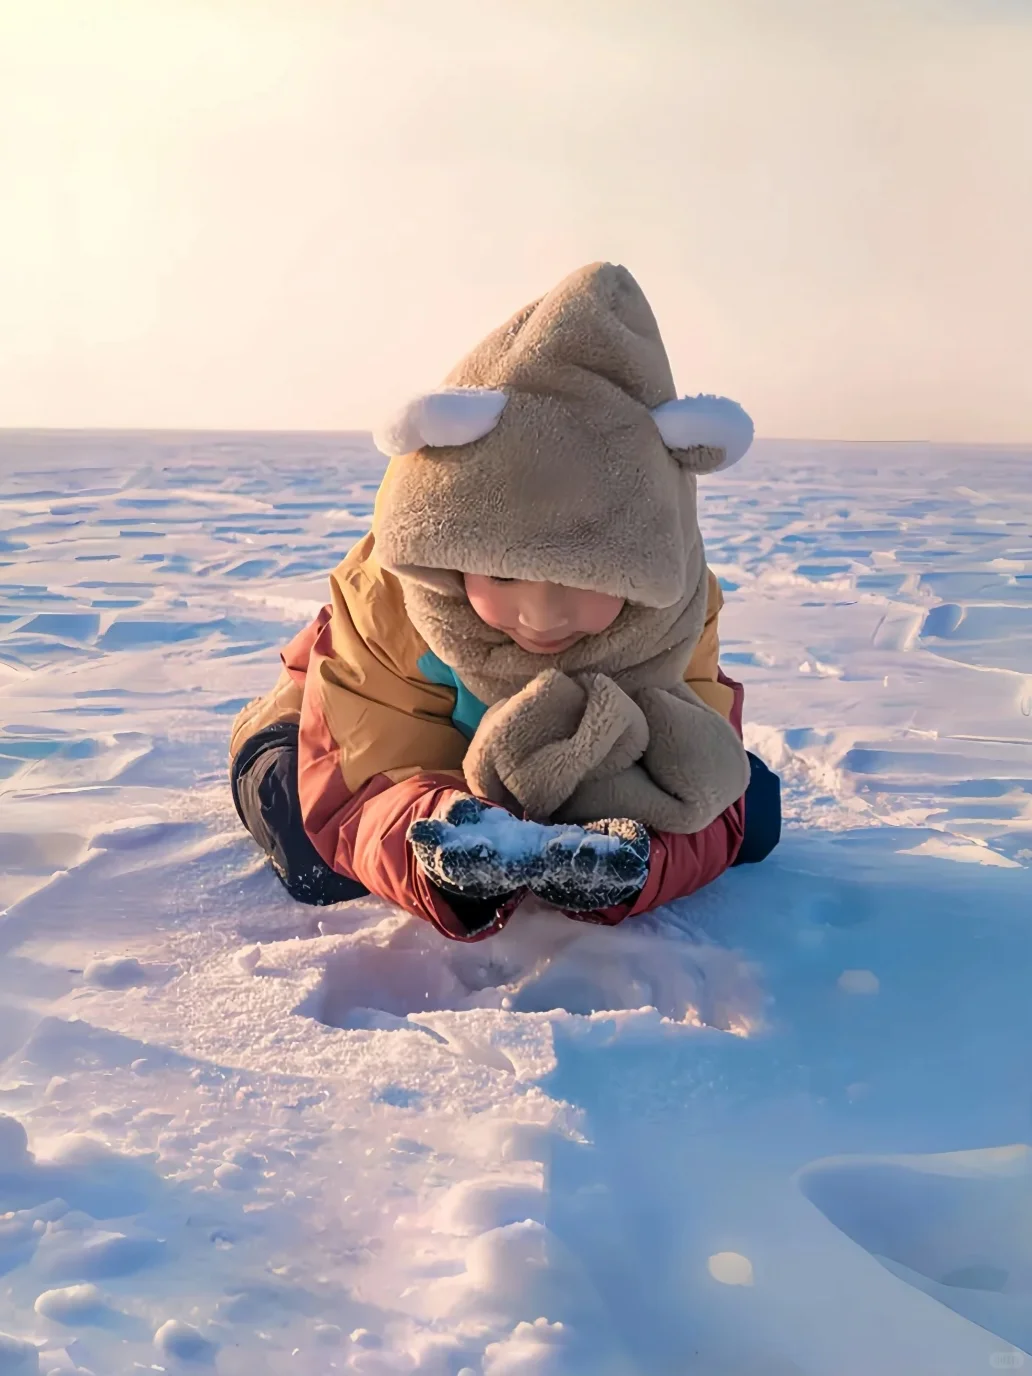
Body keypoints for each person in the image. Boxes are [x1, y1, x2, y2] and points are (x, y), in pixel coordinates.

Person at [229, 262, 781, 941]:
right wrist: (443, 840)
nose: (542, 617)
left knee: (751, 807)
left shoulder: (674, 609)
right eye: (506, 578)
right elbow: (365, 773)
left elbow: (702, 760)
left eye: (589, 580)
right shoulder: (390, 603)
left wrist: (635, 855)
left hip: (554, 760)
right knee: (313, 848)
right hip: (332, 737)